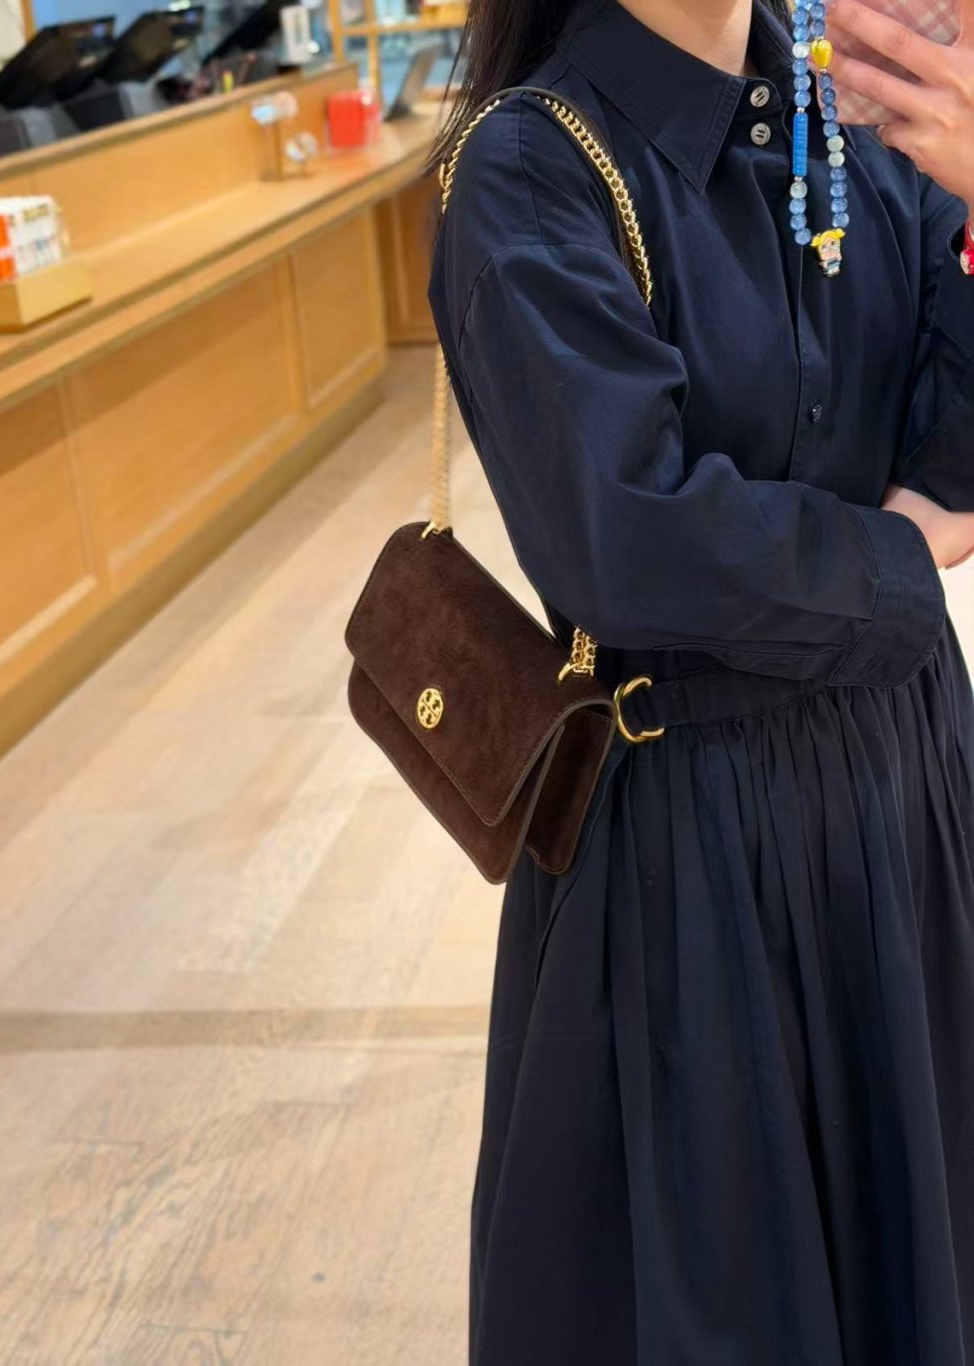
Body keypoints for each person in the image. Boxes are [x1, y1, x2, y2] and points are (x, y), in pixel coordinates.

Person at [426, 0, 974, 1361]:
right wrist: (902, 553)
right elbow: (632, 539)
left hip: (911, 787)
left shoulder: (865, 116)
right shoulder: (531, 169)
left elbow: (957, 436)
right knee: (730, 1281)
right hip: (696, 840)